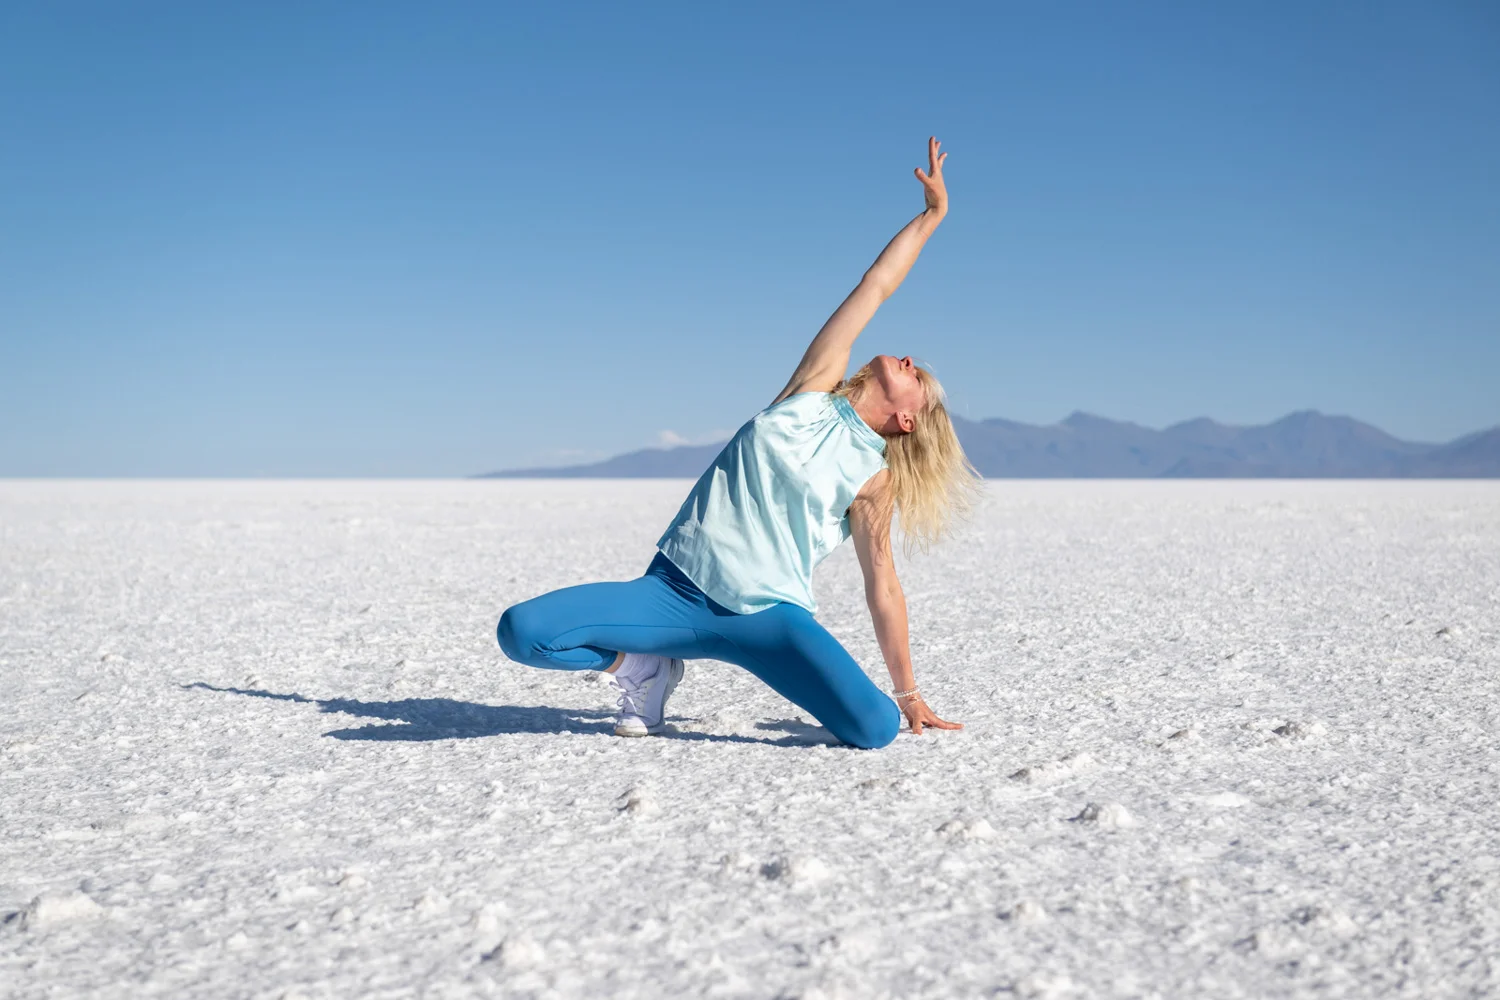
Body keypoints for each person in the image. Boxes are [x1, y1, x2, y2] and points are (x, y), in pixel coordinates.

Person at [497, 137, 979, 749]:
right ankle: (643, 669)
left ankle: (869, 702)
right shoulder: (810, 391)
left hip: (769, 620)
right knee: (523, 632)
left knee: (875, 728)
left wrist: (909, 693)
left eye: (920, 379)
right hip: (671, 592)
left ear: (909, 422)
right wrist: (932, 215)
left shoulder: (874, 478)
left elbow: (882, 585)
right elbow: (876, 285)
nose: (909, 360)